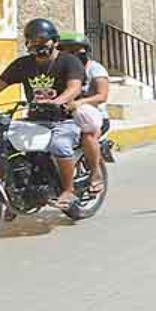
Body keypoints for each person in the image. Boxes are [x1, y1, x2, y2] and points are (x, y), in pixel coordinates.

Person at [0, 18, 85, 209]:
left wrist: (58, 102)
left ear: (54, 41)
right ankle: (14, 192)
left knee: (60, 145)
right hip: (33, 120)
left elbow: (74, 87)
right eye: (32, 41)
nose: (37, 45)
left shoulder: (69, 61)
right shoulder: (23, 64)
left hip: (63, 119)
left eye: (43, 41)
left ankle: (68, 190)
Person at [58, 32, 109, 196]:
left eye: (76, 50)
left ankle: (95, 173)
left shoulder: (95, 69)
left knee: (88, 136)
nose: (72, 55)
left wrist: (79, 103)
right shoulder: (62, 69)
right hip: (66, 116)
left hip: (93, 116)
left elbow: (102, 96)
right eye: (66, 51)